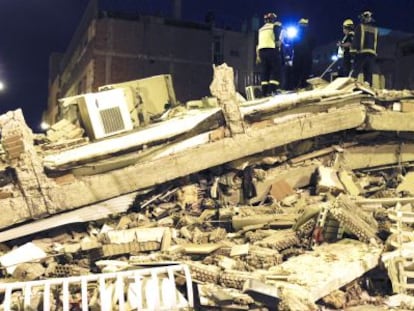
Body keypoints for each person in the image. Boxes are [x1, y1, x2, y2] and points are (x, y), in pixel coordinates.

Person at [256, 12, 283, 97]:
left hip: (261, 51)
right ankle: (273, 90)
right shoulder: (274, 26)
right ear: (273, 19)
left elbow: (258, 43)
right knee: (275, 69)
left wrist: (257, 56)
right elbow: (277, 39)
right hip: (271, 49)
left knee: (265, 71)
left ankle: (264, 92)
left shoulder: (261, 29)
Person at [350, 10, 379, 86]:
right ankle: (368, 87)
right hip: (372, 54)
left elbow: (356, 38)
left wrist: (353, 50)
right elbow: (377, 41)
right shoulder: (375, 29)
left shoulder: (360, 27)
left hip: (361, 53)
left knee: (356, 70)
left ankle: (350, 85)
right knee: (369, 73)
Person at [291, 18, 315, 89]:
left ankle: (295, 86)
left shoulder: (297, 33)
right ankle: (304, 85)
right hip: (306, 54)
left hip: (297, 55)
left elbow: (293, 44)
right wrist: (310, 50)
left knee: (296, 70)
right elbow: (313, 42)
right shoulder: (309, 32)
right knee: (306, 70)